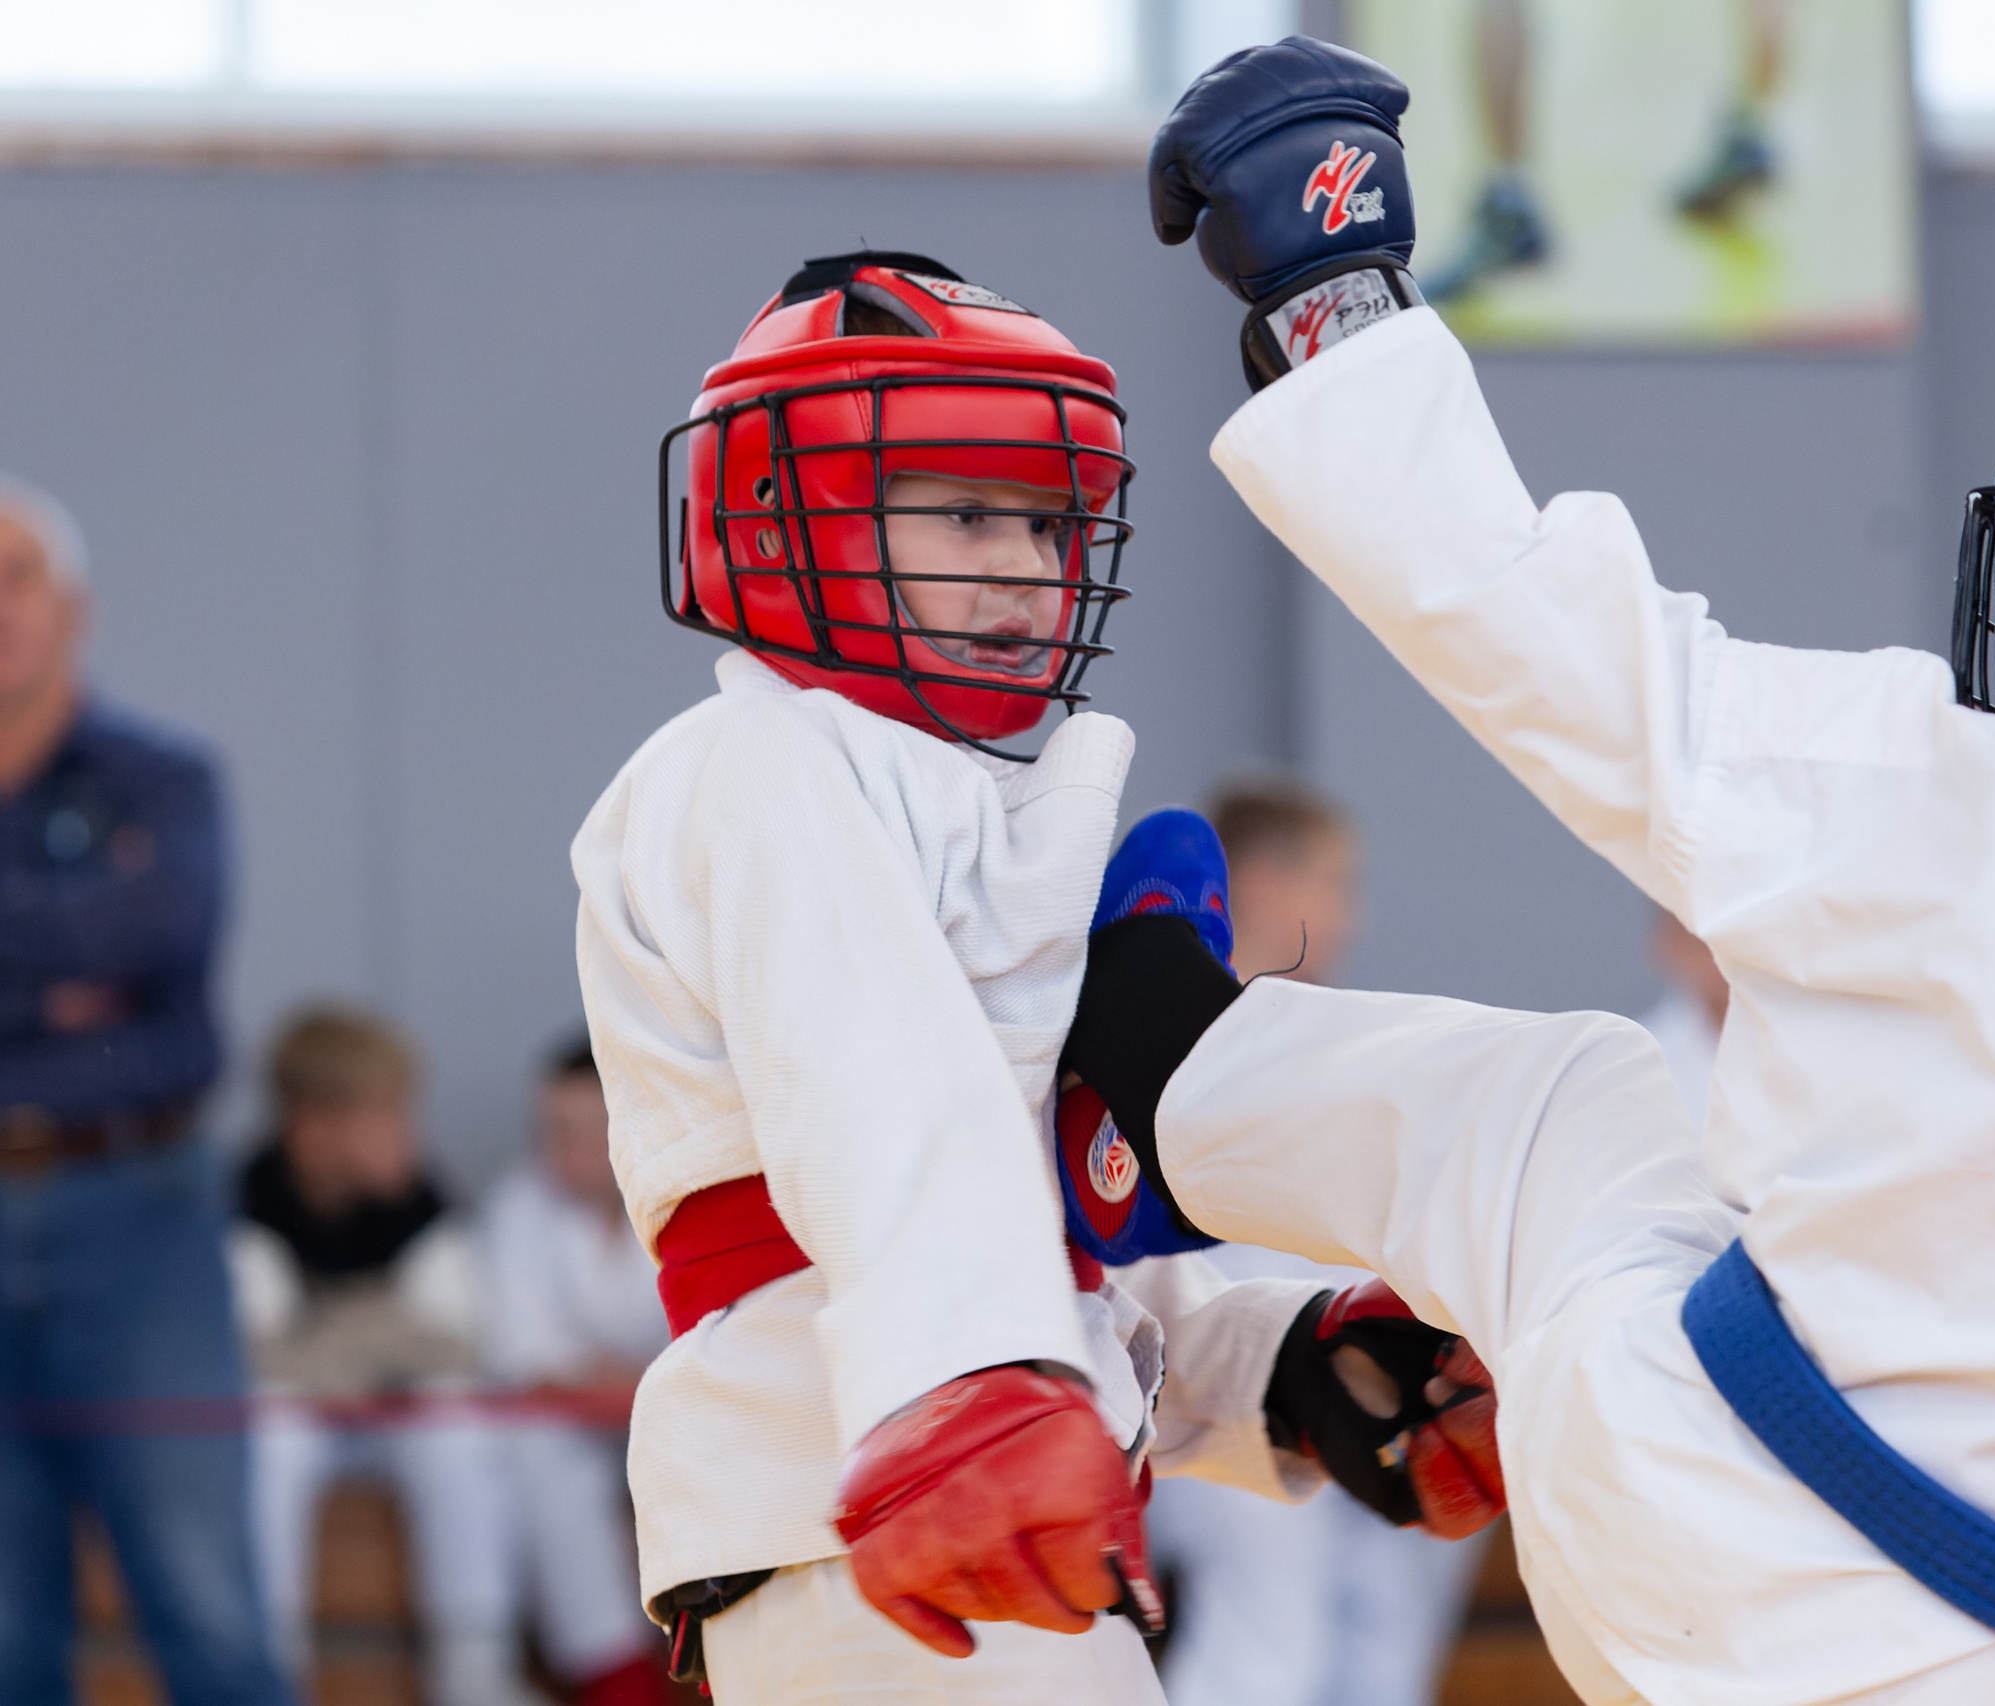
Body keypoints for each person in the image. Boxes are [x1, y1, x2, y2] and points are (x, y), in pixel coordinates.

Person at [1054, 36, 1995, 1706]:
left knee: (1577, 1105)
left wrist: (1330, 273)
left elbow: (1512, 609)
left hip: (1685, 1495)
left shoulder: (1914, 776)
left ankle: (1163, 1063)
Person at [570, 251, 1501, 1706]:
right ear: (781, 513)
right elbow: (884, 1118)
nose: (1017, 561)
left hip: (968, 1498)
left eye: (1047, 520)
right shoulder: (759, 763)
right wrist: (966, 1393)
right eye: (961, 511)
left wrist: (1275, 1369)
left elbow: (1023, 1221)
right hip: (875, 1501)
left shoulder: (941, 799)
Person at [0, 477, 291, 1706]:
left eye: (16, 575)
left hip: (138, 1213)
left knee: (205, 1604)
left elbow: (163, 947)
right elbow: (104, 951)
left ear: (75, 608)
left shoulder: (165, 778)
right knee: (7, 1636)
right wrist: (70, 972)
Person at [1148, 775, 1492, 1706]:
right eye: (1334, 884)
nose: (1351, 915)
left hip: (1329, 1347)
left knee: (1382, 1616)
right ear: (1260, 885)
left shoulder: (1331, 1037)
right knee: (1263, 1633)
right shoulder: (1161, 1025)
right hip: (1208, 1359)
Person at [229, 1004, 536, 1706]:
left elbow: (460, 1342)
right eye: (385, 1116)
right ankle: (273, 1669)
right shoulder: (250, 1203)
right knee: (271, 1429)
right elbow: (253, 1352)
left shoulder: (420, 1205)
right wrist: (378, 1335)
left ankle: (473, 1666)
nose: (406, 1136)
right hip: (306, 1423)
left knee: (457, 1423)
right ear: (313, 1125)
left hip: (395, 1414)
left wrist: (327, 1343)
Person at [478, 1036, 668, 1706]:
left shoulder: (687, 1191)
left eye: (585, 1130)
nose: (567, 1148)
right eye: (553, 1130)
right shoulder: (519, 1203)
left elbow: (731, 1342)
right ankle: (617, 1682)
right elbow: (529, 1369)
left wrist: (624, 1383)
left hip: (686, 1425)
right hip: (578, 1434)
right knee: (542, 1460)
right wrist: (636, 1382)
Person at [1635, 911, 1728, 1132]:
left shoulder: (1815, 1038)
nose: (1721, 958)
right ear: (1669, 942)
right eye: (1702, 941)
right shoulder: (1636, 1062)